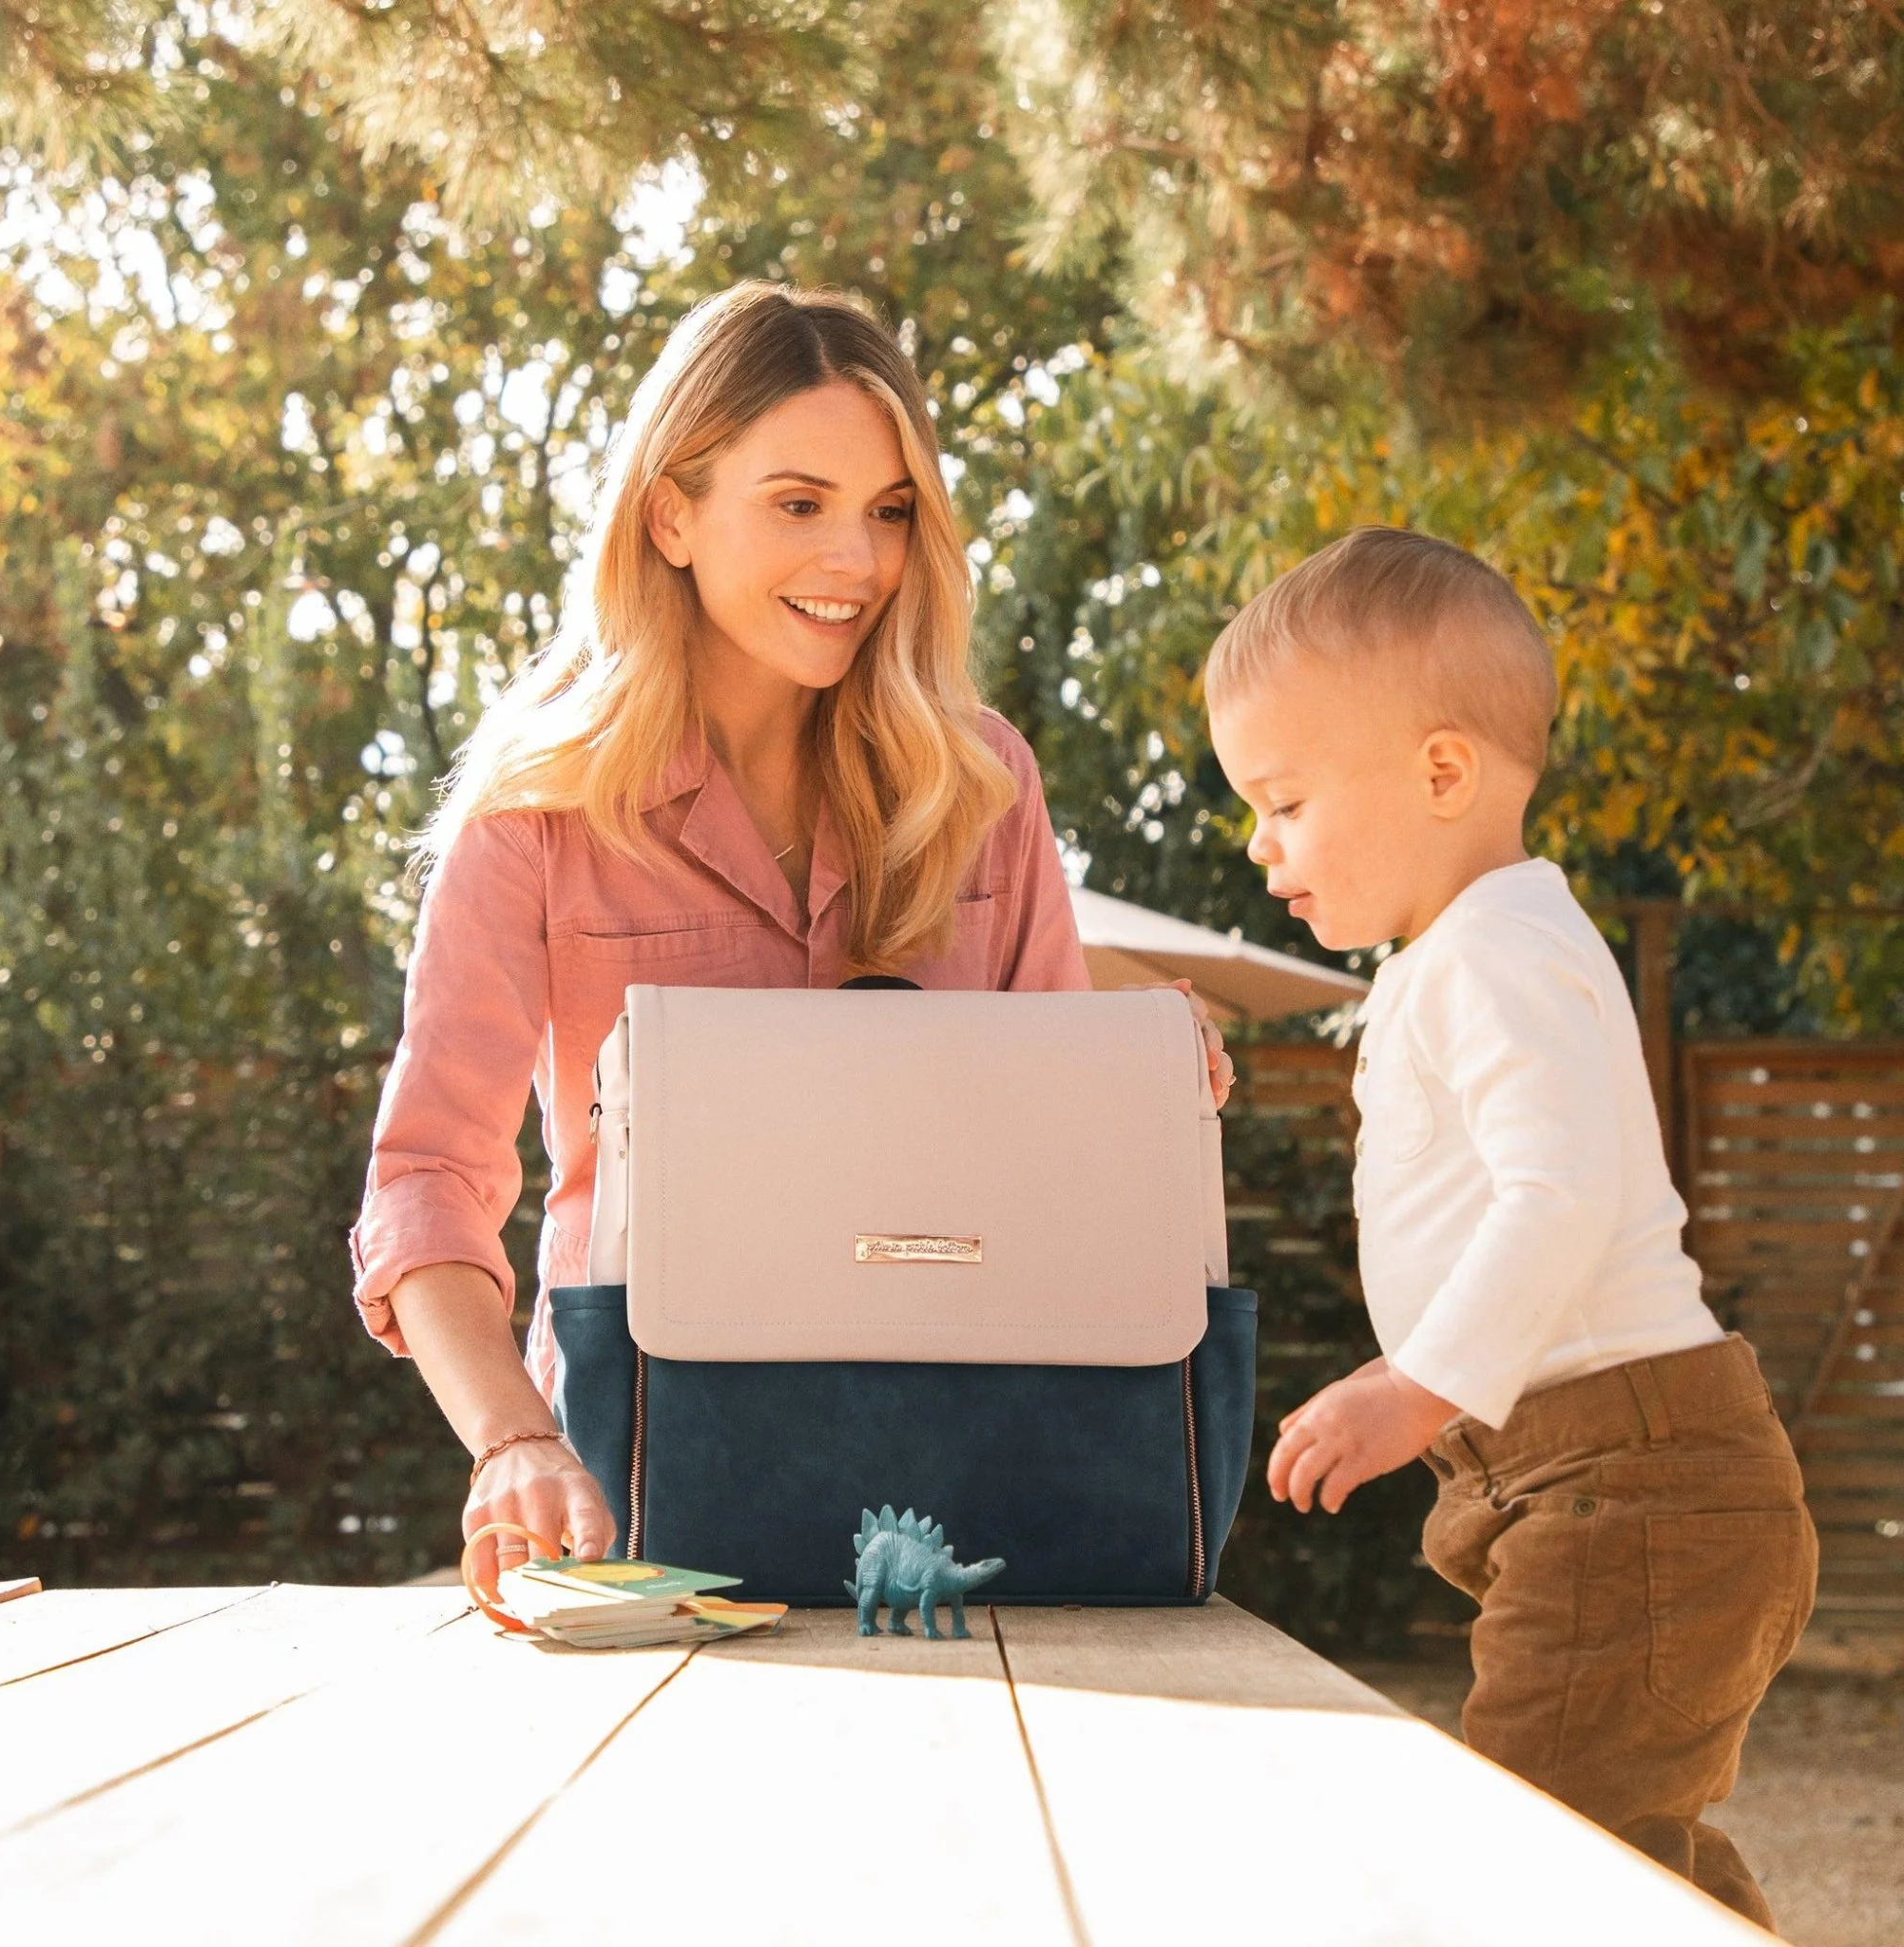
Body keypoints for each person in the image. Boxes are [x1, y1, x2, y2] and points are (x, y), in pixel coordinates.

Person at [350, 281, 1234, 1595]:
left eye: (890, 512)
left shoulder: (982, 783)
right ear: (671, 514)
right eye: (800, 504)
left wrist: (1142, 1088)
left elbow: (1049, 1166)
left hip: (969, 1472)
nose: (857, 564)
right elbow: (428, 1179)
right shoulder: (540, 812)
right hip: (641, 1478)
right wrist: (514, 1442)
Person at [1204, 525, 1817, 1926]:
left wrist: (1418, 1386)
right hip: (1611, 1483)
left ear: (1441, 774)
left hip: (1633, 1485)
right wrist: (1406, 1369)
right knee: (1613, 1849)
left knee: (1535, 1855)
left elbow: (1560, 1193)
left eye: (1285, 801)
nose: (1259, 841)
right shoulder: (1475, 950)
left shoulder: (1495, 949)